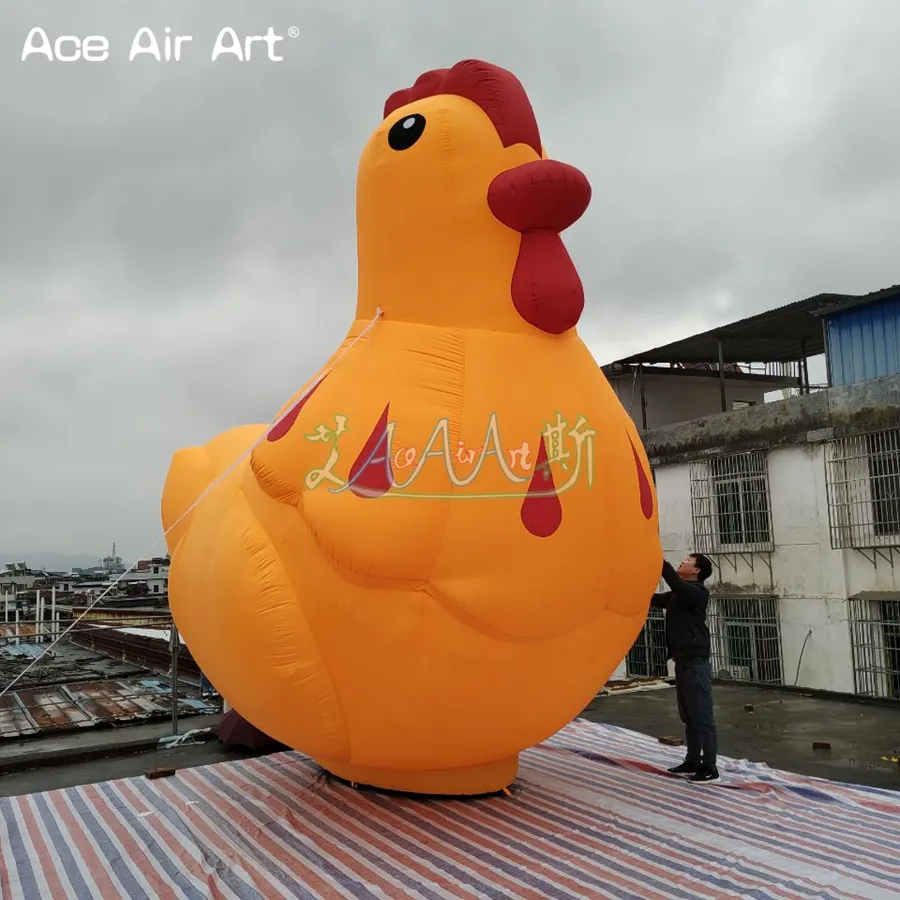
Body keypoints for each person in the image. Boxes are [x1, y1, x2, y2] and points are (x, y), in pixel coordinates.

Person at [650, 553, 719, 784]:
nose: (683, 561)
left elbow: (675, 582)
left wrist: (656, 557)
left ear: (697, 570)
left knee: (703, 717)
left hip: (695, 663)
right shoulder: (678, 595)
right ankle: (692, 760)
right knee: (689, 716)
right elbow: (654, 599)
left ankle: (709, 767)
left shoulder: (697, 593)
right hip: (682, 662)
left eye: (688, 560)